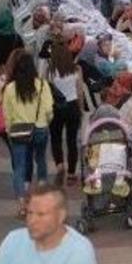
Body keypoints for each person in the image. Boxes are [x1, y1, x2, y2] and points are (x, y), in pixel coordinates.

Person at [0, 184, 97, 264]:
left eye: (41, 214)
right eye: (30, 213)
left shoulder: (79, 251)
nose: (32, 221)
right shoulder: (13, 239)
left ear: (61, 216)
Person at [3, 53, 54, 217]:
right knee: (40, 160)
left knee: (19, 167)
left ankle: (22, 203)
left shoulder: (10, 88)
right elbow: (48, 109)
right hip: (40, 128)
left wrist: (9, 129)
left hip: (18, 130)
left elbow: (7, 114)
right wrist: (46, 121)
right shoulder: (42, 85)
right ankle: (42, 196)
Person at [46, 41, 85, 186]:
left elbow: (47, 91)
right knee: (71, 140)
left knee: (55, 138)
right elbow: (80, 91)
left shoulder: (50, 71)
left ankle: (60, 165)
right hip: (72, 105)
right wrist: (80, 109)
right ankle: (71, 173)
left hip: (56, 107)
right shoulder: (76, 69)